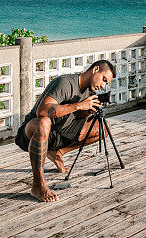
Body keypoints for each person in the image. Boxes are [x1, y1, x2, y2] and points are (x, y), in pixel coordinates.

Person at [15, 59, 116, 202]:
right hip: (32, 134)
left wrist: (88, 110)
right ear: (95, 70)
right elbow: (42, 111)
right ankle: (37, 185)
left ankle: (57, 152)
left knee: (103, 128)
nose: (103, 85)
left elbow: (78, 116)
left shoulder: (89, 91)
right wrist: (79, 105)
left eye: (106, 83)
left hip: (59, 133)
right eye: (104, 79)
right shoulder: (65, 83)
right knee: (43, 123)